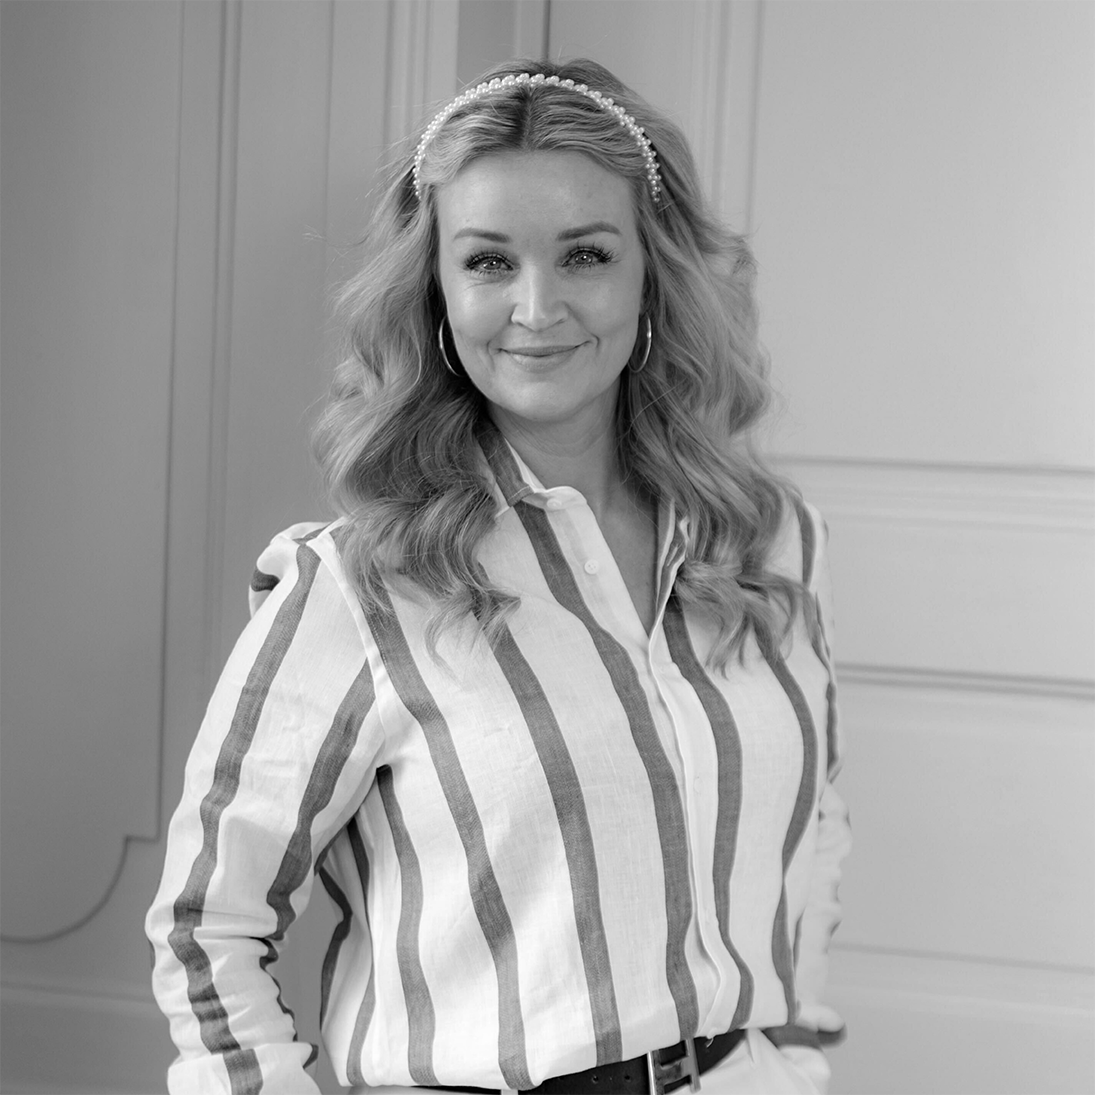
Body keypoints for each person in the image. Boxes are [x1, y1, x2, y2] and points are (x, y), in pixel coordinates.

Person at [146, 57, 850, 1095]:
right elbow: (208, 923)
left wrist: (789, 1054)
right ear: (435, 292)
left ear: (651, 275)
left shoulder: (768, 542)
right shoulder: (360, 582)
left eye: (585, 255)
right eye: (488, 261)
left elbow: (813, 824)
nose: (536, 306)